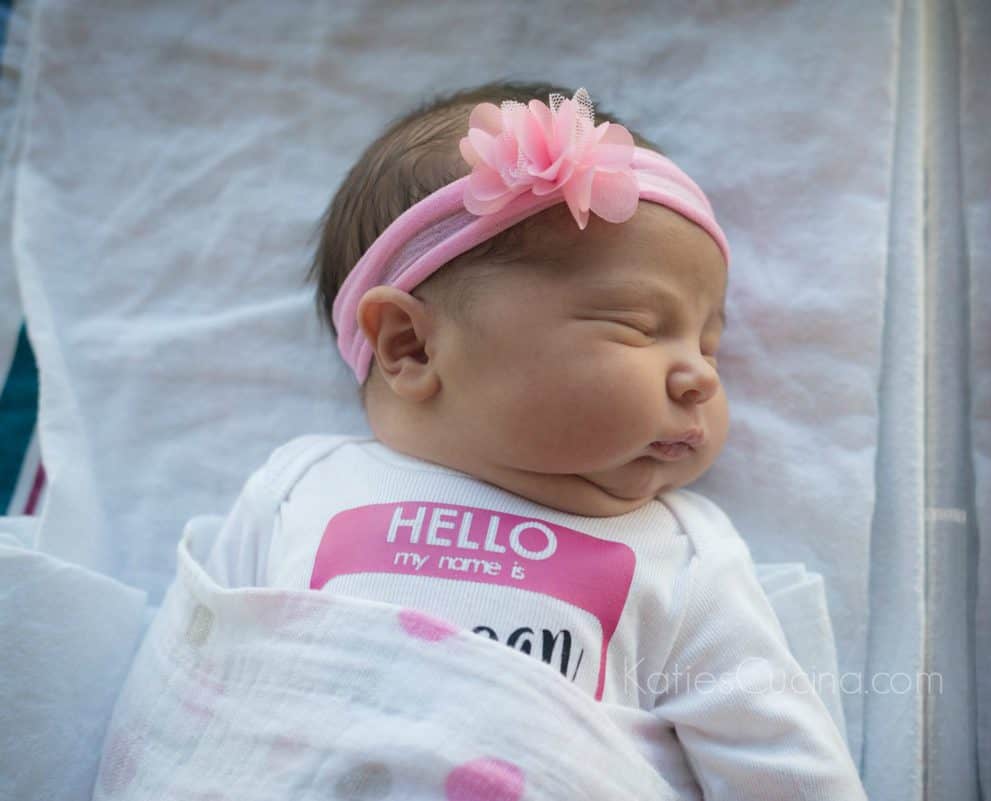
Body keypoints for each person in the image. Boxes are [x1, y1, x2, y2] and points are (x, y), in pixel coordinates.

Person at [204, 80, 866, 800]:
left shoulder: (683, 557)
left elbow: (783, 764)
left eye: (709, 346)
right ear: (411, 347)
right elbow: (201, 686)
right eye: (640, 326)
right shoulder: (300, 487)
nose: (699, 378)